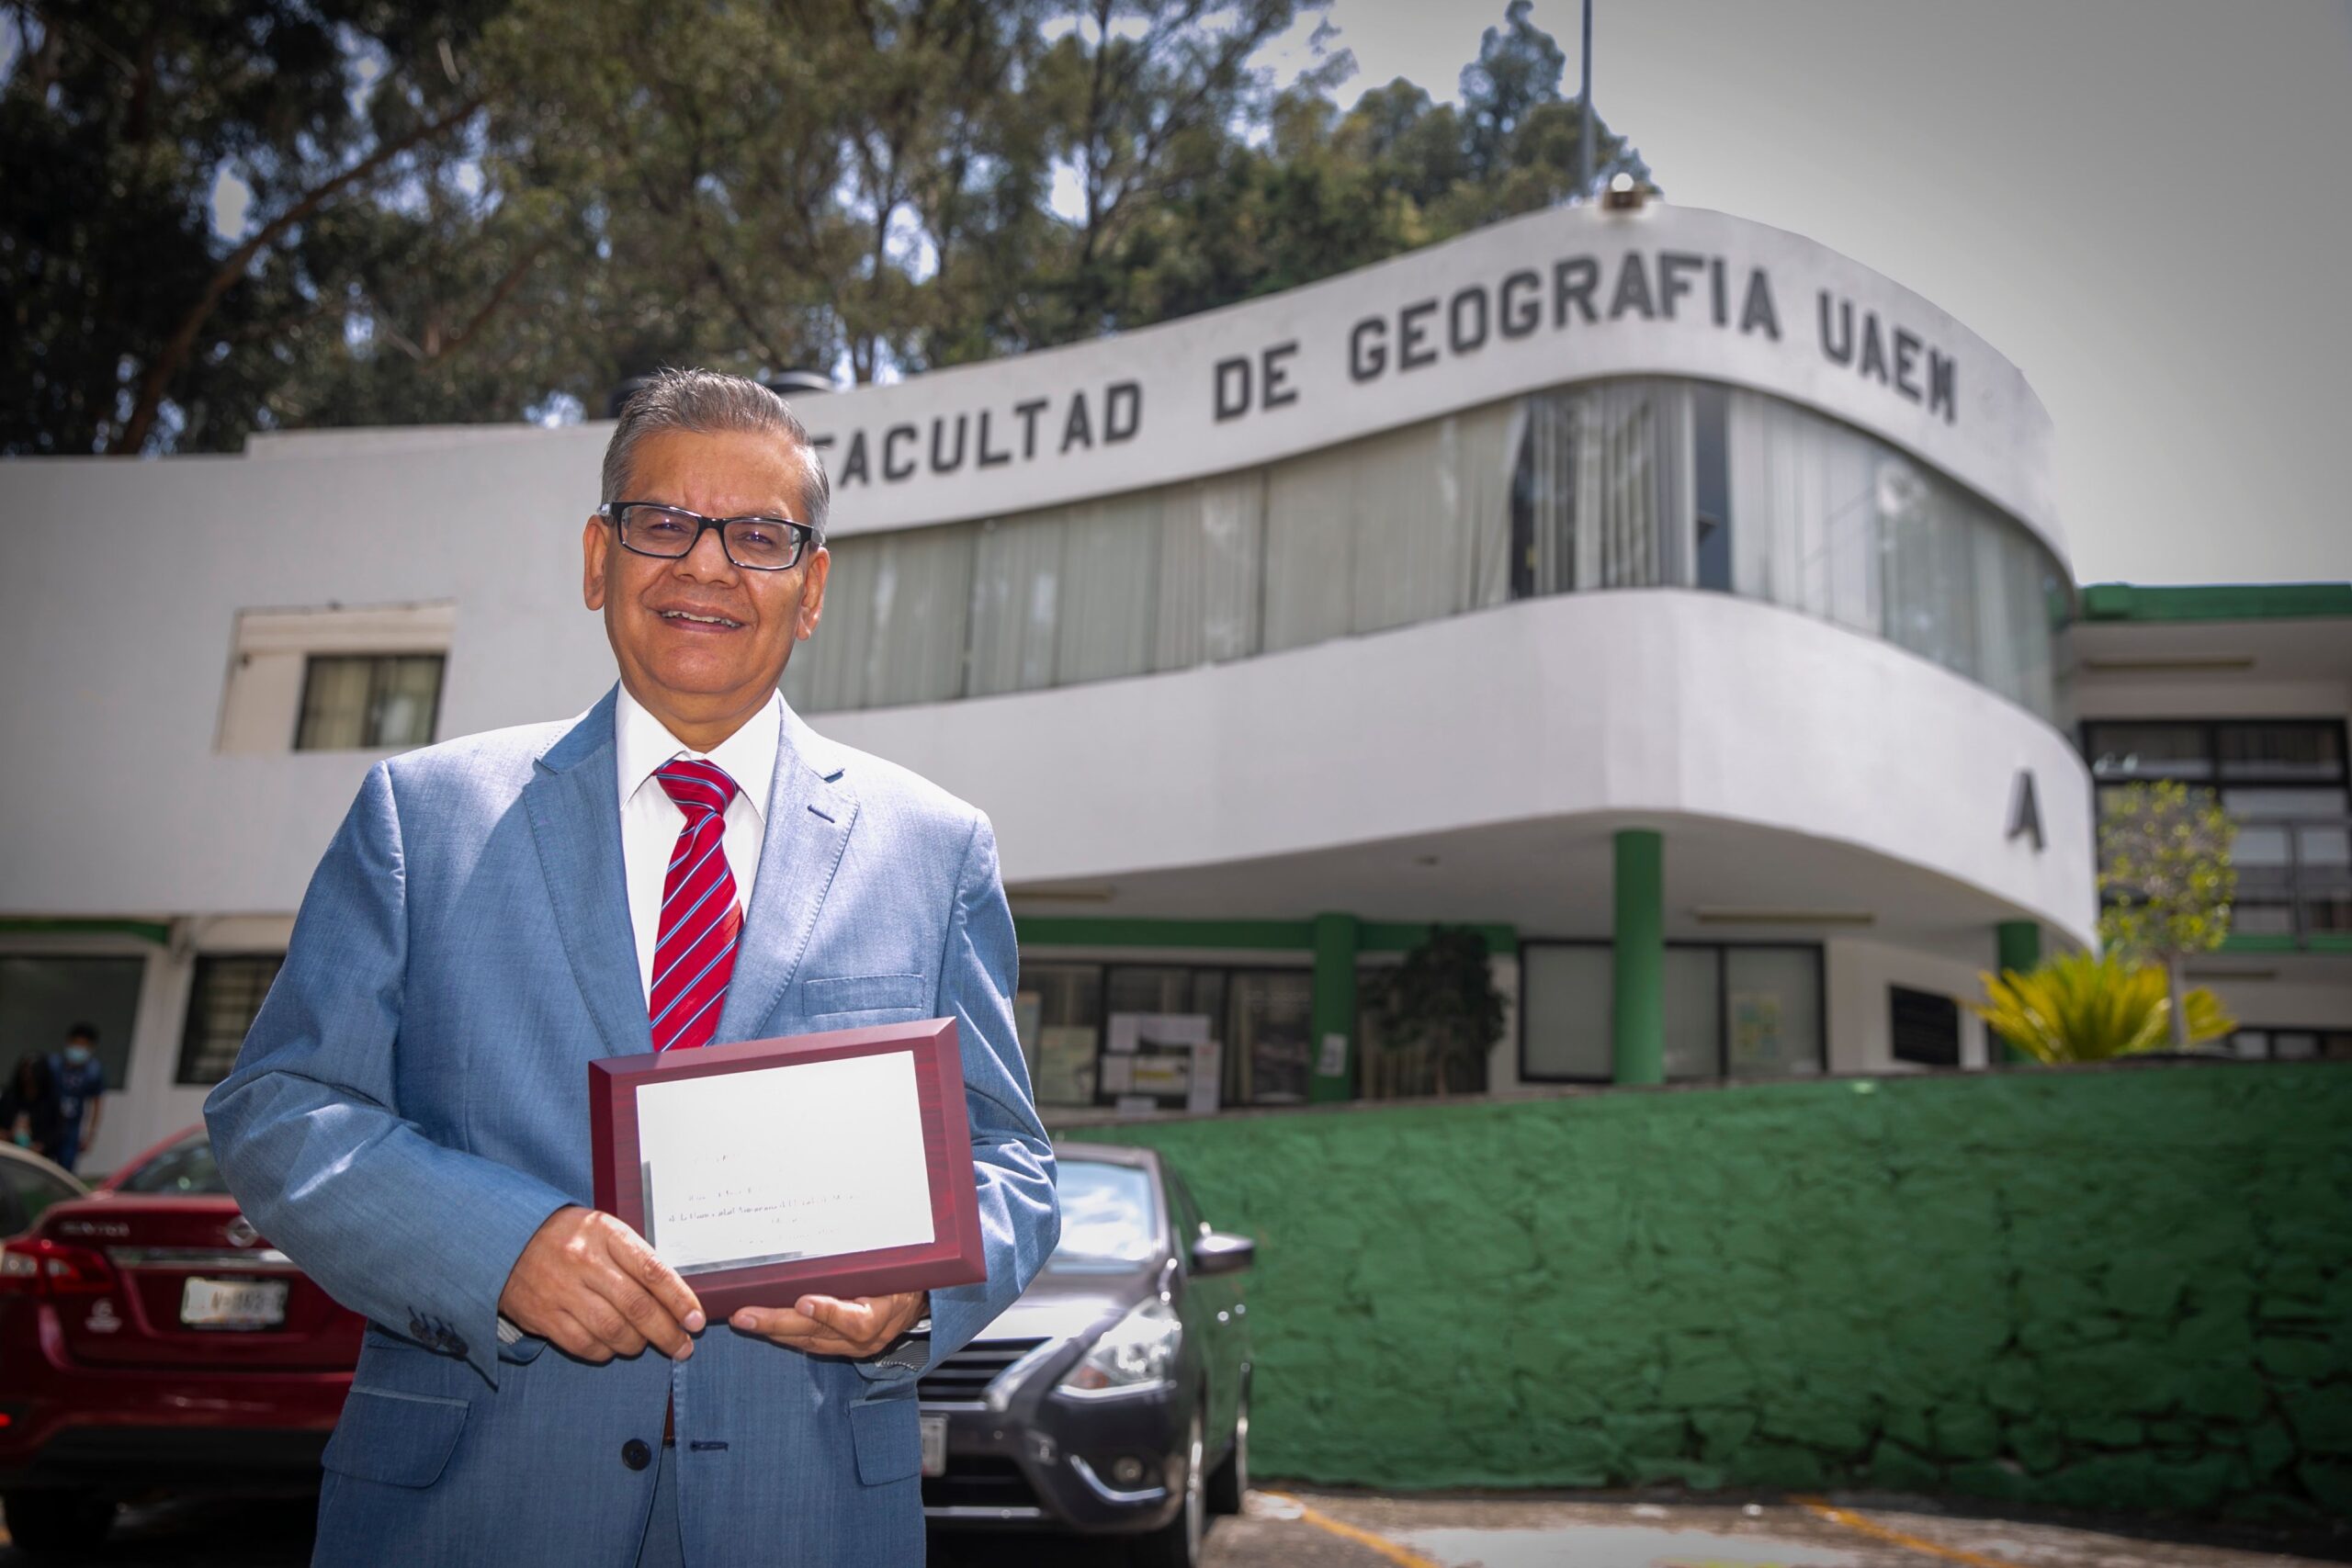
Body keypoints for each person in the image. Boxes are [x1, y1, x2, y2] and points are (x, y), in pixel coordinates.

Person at [205, 369, 1059, 1567]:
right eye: (665, 523)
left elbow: (1010, 1159)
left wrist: (917, 1294)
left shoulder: (934, 847)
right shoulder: (422, 815)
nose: (706, 566)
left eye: (757, 535)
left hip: (806, 1513)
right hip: (469, 1512)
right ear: (597, 558)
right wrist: (500, 1247)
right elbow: (278, 1109)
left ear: (811, 587)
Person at [45, 1025, 104, 1173]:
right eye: (76, 1043)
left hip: (71, 1128)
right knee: (41, 1167)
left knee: (65, 1170)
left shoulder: (93, 1071)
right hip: (48, 1124)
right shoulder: (53, 1065)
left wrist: (90, 1135)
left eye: (84, 1045)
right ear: (68, 1042)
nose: (79, 1048)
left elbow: (97, 1104)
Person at [0, 1052, 55, 1157]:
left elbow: (55, 1131)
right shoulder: (10, 1095)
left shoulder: (50, 1101)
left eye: (32, 1070)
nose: (27, 1074)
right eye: (25, 1069)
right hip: (7, 1149)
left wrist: (42, 1145)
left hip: (36, 1154)